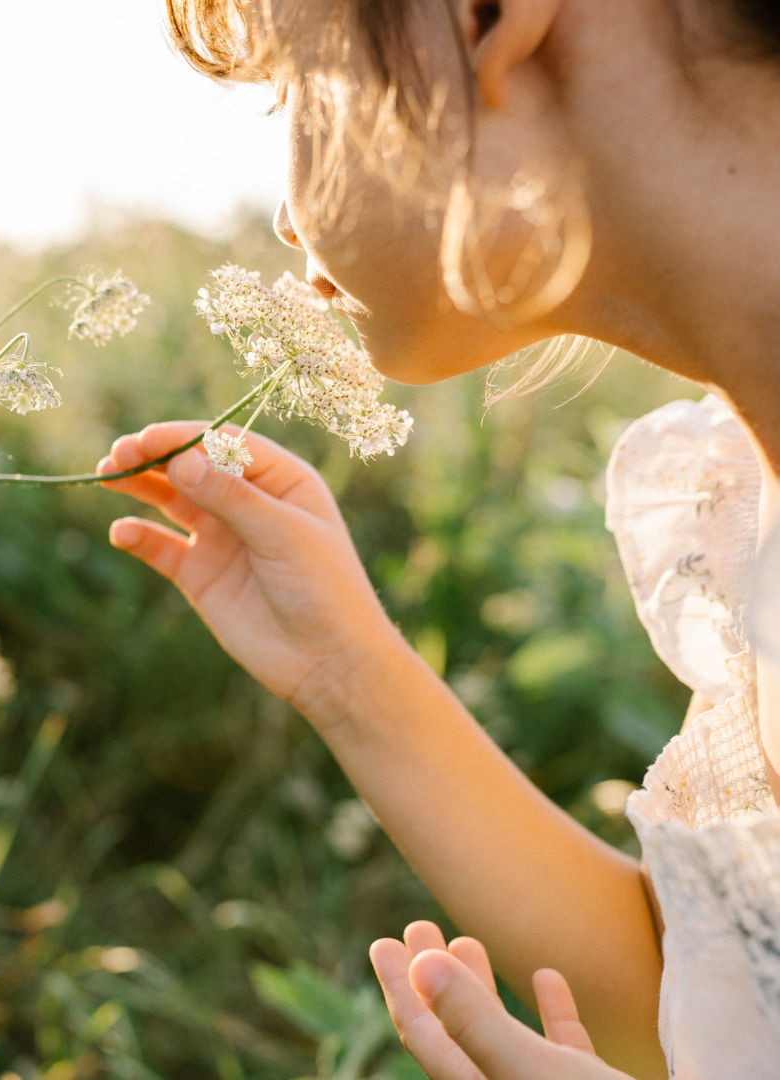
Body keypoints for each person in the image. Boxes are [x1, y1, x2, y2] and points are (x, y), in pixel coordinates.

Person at [95, 0, 780, 1076]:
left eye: (291, 82)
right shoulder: (752, 497)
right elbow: (719, 998)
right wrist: (347, 672)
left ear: (487, 16)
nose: (283, 211)